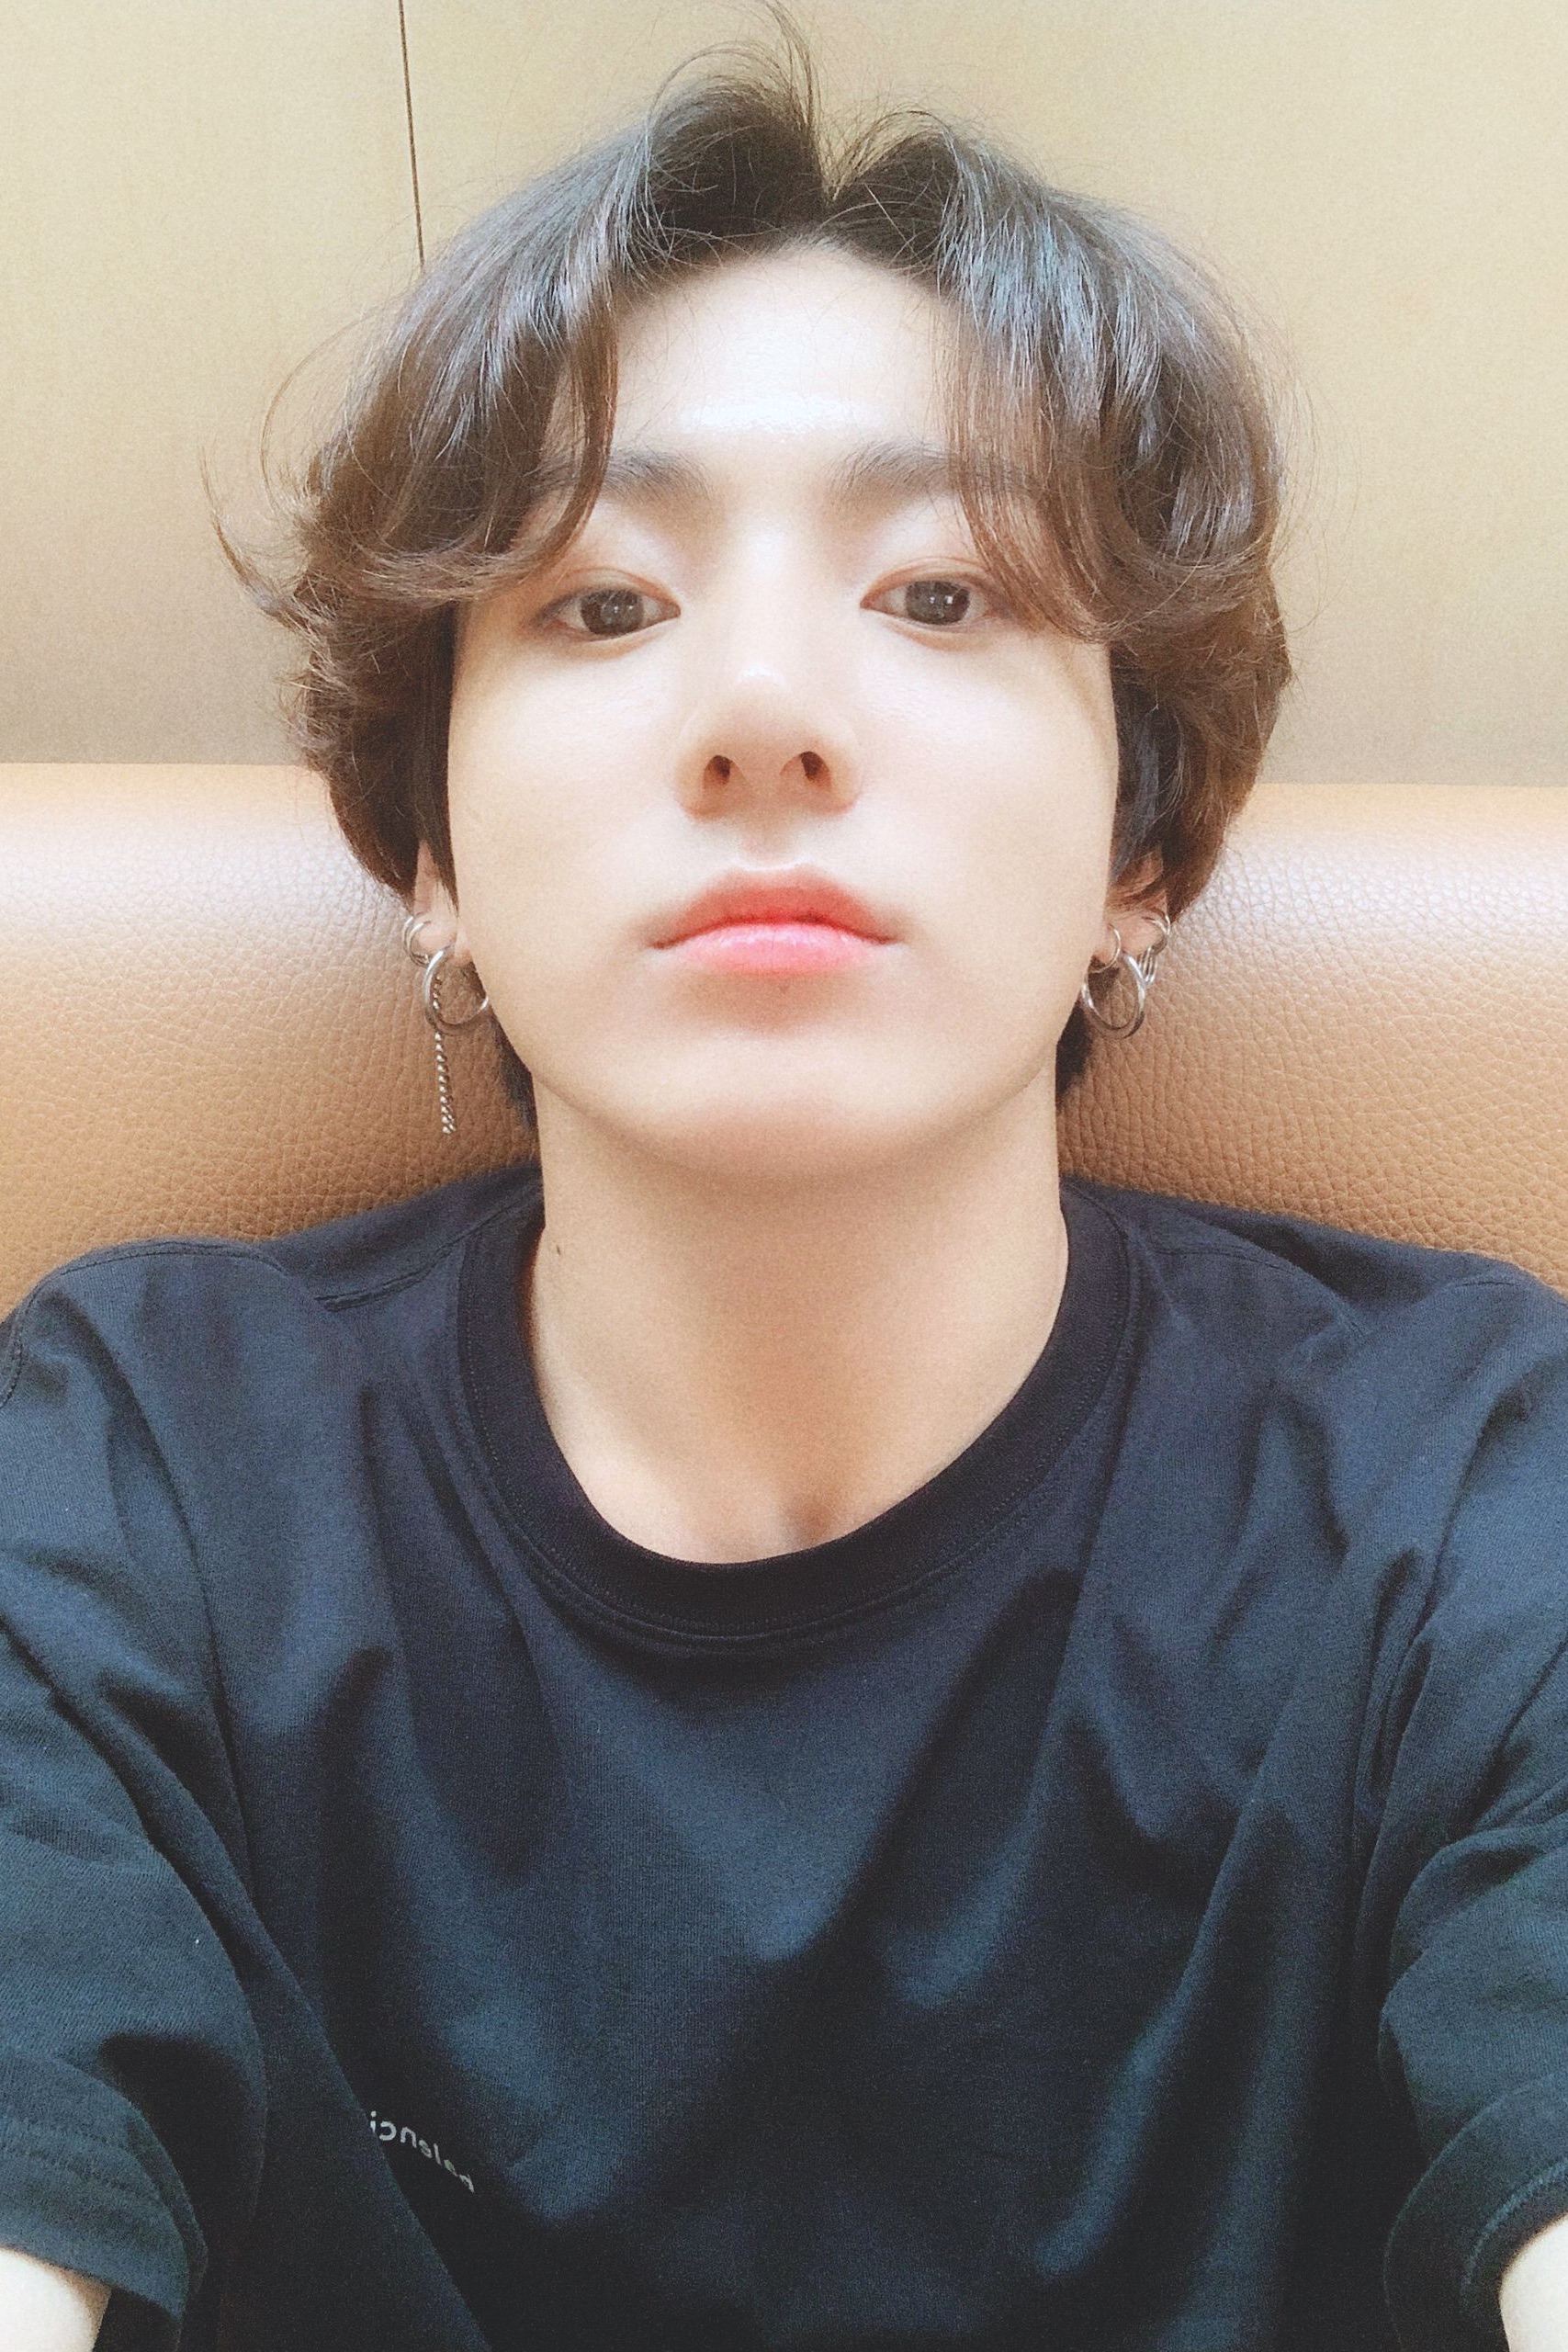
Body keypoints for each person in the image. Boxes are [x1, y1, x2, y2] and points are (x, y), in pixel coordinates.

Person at [4, 38, 1568, 2352]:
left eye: (935, 593)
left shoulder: (1465, 1487)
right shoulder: (140, 1466)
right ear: (429, 858)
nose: (761, 707)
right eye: (601, 603)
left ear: (1137, 852)